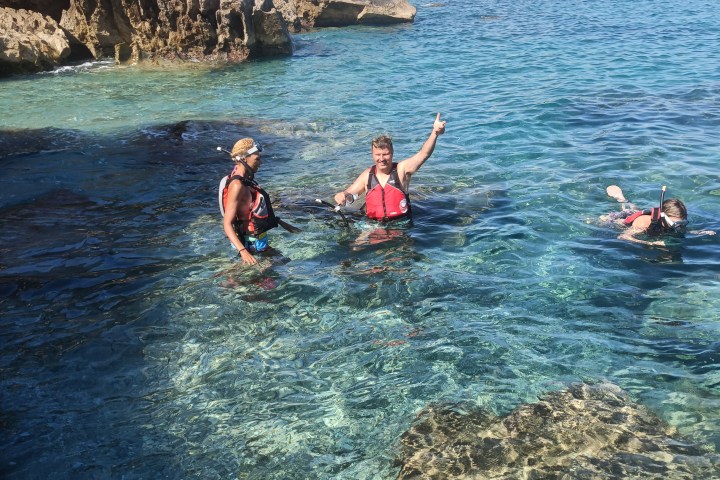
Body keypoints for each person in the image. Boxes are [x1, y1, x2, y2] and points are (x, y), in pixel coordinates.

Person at [333, 113, 447, 221]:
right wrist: (342, 195)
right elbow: (350, 192)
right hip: (373, 225)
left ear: (392, 153)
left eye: (385, 154)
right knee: (357, 242)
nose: (381, 159)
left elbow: (423, 154)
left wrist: (434, 133)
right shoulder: (368, 175)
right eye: (378, 155)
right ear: (372, 155)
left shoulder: (401, 170)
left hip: (401, 225)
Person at [219, 138, 299, 265]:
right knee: (271, 277)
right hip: (250, 245)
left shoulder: (246, 181)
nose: (260, 162)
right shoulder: (237, 185)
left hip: (258, 242)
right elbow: (227, 224)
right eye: (257, 159)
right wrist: (243, 251)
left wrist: (280, 222)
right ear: (244, 158)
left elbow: (251, 210)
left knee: (280, 269)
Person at [603, 185, 715, 246]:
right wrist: (651, 243)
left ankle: (625, 200)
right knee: (623, 210)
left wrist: (699, 232)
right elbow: (623, 237)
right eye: (675, 223)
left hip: (650, 218)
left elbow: (680, 229)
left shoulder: (675, 221)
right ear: (663, 217)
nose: (678, 226)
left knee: (635, 208)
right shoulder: (643, 222)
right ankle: (620, 198)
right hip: (620, 220)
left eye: (682, 223)